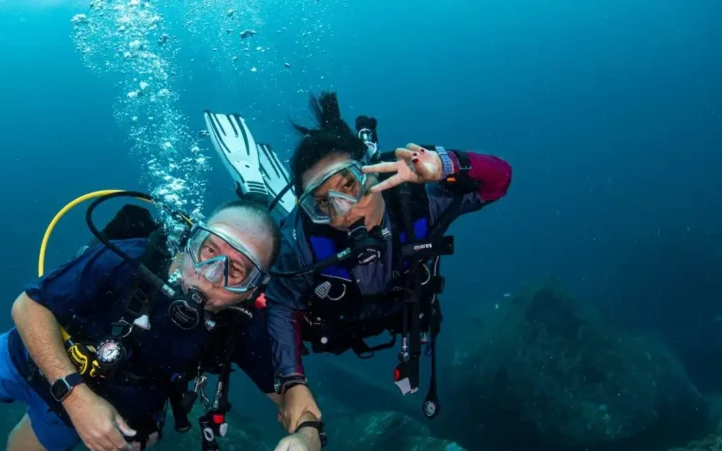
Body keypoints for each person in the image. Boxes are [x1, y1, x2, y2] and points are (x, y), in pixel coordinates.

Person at [0, 197, 325, 451]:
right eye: (210, 250)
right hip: (29, 357)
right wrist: (78, 398)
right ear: (193, 239)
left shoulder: (237, 325)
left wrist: (308, 437)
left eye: (236, 270)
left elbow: (289, 390)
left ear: (253, 289)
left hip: (78, 409)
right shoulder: (128, 259)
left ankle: (38, 414)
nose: (209, 275)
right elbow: (28, 306)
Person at [201, 93, 511, 423]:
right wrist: (293, 381)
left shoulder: (417, 203)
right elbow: (283, 306)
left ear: (371, 171)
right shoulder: (303, 244)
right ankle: (259, 200)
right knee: (267, 258)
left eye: (349, 185)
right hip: (333, 326)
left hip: (387, 313)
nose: (343, 212)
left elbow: (499, 180)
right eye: (322, 203)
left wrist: (443, 166)